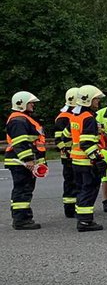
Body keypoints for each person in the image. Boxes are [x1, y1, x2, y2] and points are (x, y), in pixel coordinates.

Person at [5, 91, 46, 230]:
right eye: (30, 102)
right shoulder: (18, 120)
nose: (33, 105)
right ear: (21, 103)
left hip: (21, 161)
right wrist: (28, 160)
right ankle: (21, 220)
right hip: (20, 162)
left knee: (24, 189)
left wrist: (40, 161)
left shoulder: (22, 118)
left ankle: (22, 217)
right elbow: (20, 143)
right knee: (22, 190)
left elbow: (34, 143)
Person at [70, 85, 107, 232]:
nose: (98, 101)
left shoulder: (75, 116)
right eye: (96, 99)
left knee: (81, 190)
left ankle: (81, 217)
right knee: (89, 190)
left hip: (76, 161)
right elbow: (87, 143)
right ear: (88, 100)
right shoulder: (89, 118)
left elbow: (67, 135)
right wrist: (98, 159)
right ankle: (85, 222)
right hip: (87, 163)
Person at [54, 88, 79, 218]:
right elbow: (58, 140)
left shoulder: (73, 115)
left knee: (76, 181)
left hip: (75, 154)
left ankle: (75, 206)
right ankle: (69, 209)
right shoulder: (63, 117)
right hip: (69, 156)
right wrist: (67, 151)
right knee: (71, 182)